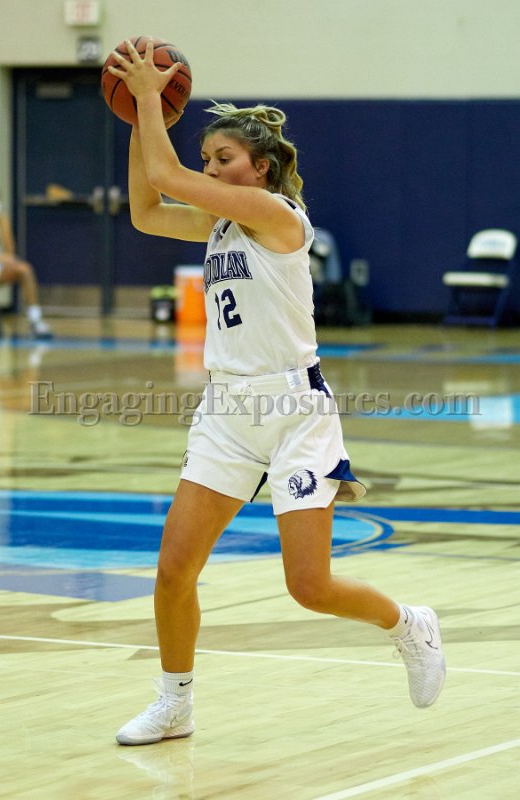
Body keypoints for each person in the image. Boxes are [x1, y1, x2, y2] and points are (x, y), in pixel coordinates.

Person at [109, 41, 446, 747]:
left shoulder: (276, 215)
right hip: (226, 411)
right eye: (206, 160)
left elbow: (166, 175)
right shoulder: (219, 224)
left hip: (294, 413)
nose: (209, 170)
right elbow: (145, 207)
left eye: (222, 159)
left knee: (309, 587)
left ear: (259, 167)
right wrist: (139, 119)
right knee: (173, 570)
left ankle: (408, 624)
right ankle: (174, 704)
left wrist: (147, 98)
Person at [0, 184, 52, 340]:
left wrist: (0, 224)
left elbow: (10, 253)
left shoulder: (1, 221)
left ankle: (35, 320)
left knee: (24, 269)